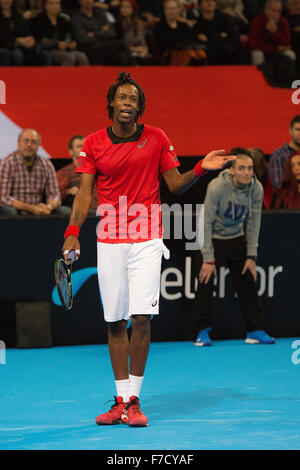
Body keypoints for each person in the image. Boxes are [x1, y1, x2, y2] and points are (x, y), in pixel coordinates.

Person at [61, 70, 235, 427]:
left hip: (146, 238)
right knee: (114, 322)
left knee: (141, 318)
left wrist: (201, 168)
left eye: (134, 100)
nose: (128, 104)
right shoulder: (93, 143)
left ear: (140, 107)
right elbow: (84, 194)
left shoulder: (157, 138)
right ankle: (120, 400)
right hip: (109, 238)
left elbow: (175, 185)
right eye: (123, 98)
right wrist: (73, 231)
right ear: (111, 103)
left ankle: (135, 402)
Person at [193, 148, 276, 347]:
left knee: (247, 281)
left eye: (250, 169)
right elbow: (205, 222)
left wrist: (251, 256)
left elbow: (254, 222)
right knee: (205, 281)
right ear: (232, 171)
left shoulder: (256, 188)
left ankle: (255, 330)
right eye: (241, 168)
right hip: (213, 238)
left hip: (236, 237)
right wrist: (208, 258)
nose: (246, 172)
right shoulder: (217, 187)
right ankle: (201, 331)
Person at [0, 128, 61, 216]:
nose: (29, 145)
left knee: (62, 211)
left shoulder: (46, 164)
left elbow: (55, 194)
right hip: (16, 210)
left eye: (33, 142)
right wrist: (32, 208)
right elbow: (3, 197)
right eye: (26, 141)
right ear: (18, 143)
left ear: (39, 145)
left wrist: (49, 207)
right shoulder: (7, 163)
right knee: (9, 211)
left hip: (40, 210)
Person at [248, 0, 296, 87]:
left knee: (290, 54)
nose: (276, 14)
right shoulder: (258, 21)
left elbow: (287, 43)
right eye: (273, 10)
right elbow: (253, 44)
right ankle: (258, 83)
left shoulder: (283, 22)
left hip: (277, 52)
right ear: (266, 10)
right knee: (257, 54)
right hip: (266, 51)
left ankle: (287, 82)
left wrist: (275, 32)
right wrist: (275, 48)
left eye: (278, 11)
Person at [71, 0, 133, 65]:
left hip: (105, 46)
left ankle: (129, 74)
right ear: (80, 1)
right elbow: (83, 39)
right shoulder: (76, 17)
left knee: (120, 56)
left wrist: (94, 33)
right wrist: (102, 31)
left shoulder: (100, 14)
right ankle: (135, 69)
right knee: (122, 43)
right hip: (89, 49)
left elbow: (112, 33)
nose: (88, 1)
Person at [33, 0, 89, 66]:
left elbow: (68, 36)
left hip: (63, 49)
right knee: (69, 57)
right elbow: (40, 40)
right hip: (47, 50)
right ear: (45, 6)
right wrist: (57, 44)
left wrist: (72, 43)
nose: (55, 6)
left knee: (82, 56)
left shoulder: (63, 20)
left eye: (57, 3)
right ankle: (62, 76)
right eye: (51, 3)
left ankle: (86, 76)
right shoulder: (39, 19)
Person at [154, 0, 207, 66]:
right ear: (164, 10)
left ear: (178, 10)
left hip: (184, 51)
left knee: (201, 53)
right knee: (189, 54)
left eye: (173, 9)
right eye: (168, 8)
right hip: (168, 54)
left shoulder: (183, 26)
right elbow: (163, 43)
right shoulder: (159, 26)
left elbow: (190, 40)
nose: (170, 11)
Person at [0, 0, 51, 66]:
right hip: (6, 47)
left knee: (44, 55)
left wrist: (30, 39)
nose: (6, 1)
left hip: (23, 47)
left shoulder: (18, 16)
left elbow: (26, 32)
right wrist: (17, 41)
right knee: (17, 54)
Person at [56, 135, 98, 214]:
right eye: (79, 146)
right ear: (71, 152)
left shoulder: (99, 170)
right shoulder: (64, 173)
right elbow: (54, 197)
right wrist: (68, 192)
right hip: (80, 211)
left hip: (102, 209)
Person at [192, 0, 242, 65]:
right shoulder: (198, 24)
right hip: (211, 57)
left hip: (230, 53)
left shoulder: (225, 18)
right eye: (206, 1)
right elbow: (202, 43)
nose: (210, 3)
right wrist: (220, 36)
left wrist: (210, 38)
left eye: (212, 0)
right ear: (199, 5)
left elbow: (234, 38)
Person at [269, 114, 300, 191]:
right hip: (288, 201)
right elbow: (278, 186)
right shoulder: (279, 155)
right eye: (298, 129)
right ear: (290, 130)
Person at [115, 0, 151, 65]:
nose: (125, 9)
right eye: (123, 7)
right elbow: (119, 44)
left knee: (148, 60)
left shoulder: (139, 23)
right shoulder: (117, 24)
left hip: (139, 50)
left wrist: (144, 49)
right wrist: (134, 49)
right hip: (126, 52)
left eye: (128, 7)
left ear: (133, 9)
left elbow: (143, 41)